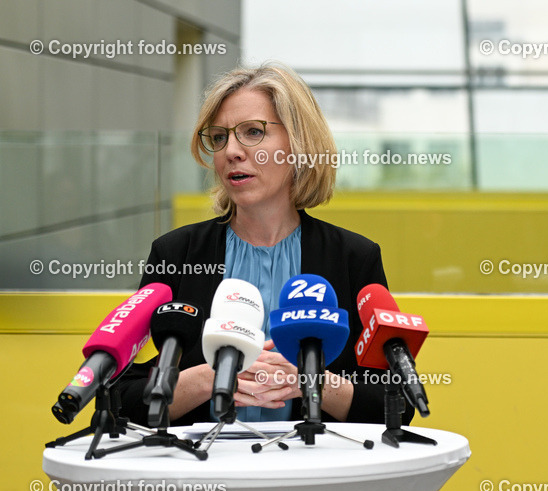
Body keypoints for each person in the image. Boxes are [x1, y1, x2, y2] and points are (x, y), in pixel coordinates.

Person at [115, 63, 404, 427]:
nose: (231, 151)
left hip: (314, 471)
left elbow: (396, 404)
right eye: (219, 137)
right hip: (202, 474)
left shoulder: (353, 258)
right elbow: (117, 402)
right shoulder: (176, 254)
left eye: (253, 132)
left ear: (298, 143)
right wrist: (208, 379)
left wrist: (310, 381)